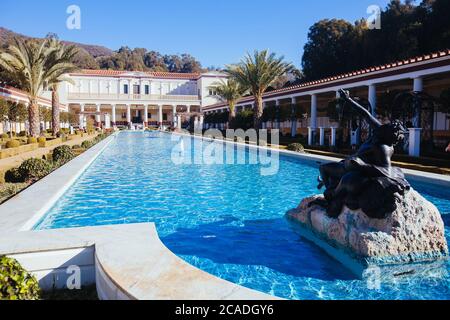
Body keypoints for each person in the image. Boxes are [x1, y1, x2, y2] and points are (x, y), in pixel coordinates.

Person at [311, 90, 410, 219]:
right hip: (346, 165)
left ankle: (331, 194)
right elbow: (366, 114)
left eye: (387, 127)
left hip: (348, 169)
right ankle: (331, 189)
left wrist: (361, 165)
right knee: (325, 170)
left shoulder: (383, 148)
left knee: (323, 168)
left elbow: (385, 171)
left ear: (389, 135)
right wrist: (348, 99)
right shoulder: (380, 132)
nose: (382, 126)